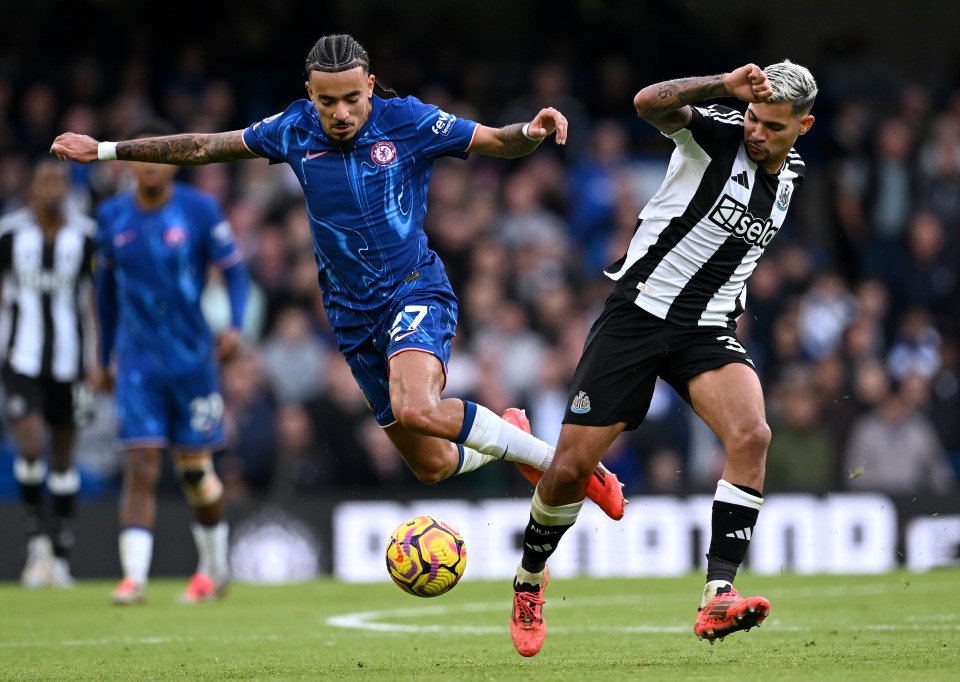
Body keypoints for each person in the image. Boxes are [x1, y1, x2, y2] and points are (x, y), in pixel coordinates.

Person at [50, 33, 626, 519]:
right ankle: (508, 436)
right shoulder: (293, 130)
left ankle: (559, 461)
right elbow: (203, 147)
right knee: (430, 466)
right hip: (350, 316)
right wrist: (103, 149)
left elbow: (497, 141)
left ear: (371, 86)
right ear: (311, 95)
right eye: (328, 102)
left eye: (352, 98)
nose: (342, 113)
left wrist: (529, 131)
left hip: (413, 288)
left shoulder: (410, 122)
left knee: (417, 408)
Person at [505, 60, 817, 657]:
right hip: (638, 316)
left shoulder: (792, 176)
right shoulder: (718, 132)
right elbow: (648, 102)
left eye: (773, 127)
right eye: (753, 117)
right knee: (569, 472)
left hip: (705, 331)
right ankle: (528, 581)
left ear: (803, 125)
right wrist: (724, 87)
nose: (756, 132)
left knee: (752, 434)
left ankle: (717, 595)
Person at [90, 120, 250, 604]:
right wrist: (103, 358)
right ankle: (133, 579)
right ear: (129, 161)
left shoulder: (199, 210)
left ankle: (215, 569)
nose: (148, 164)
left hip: (192, 358)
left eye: (156, 155)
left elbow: (236, 273)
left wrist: (235, 326)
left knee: (196, 473)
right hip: (138, 363)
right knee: (141, 462)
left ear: (170, 159)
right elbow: (104, 294)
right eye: (139, 156)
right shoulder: (112, 216)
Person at [0, 159, 97, 588]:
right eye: (46, 181)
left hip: (71, 364)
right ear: (32, 189)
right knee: (31, 444)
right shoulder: (9, 235)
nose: (54, 188)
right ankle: (36, 540)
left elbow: (97, 301)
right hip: (20, 359)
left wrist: (98, 360)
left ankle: (60, 551)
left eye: (60, 181)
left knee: (62, 456)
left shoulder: (88, 238)